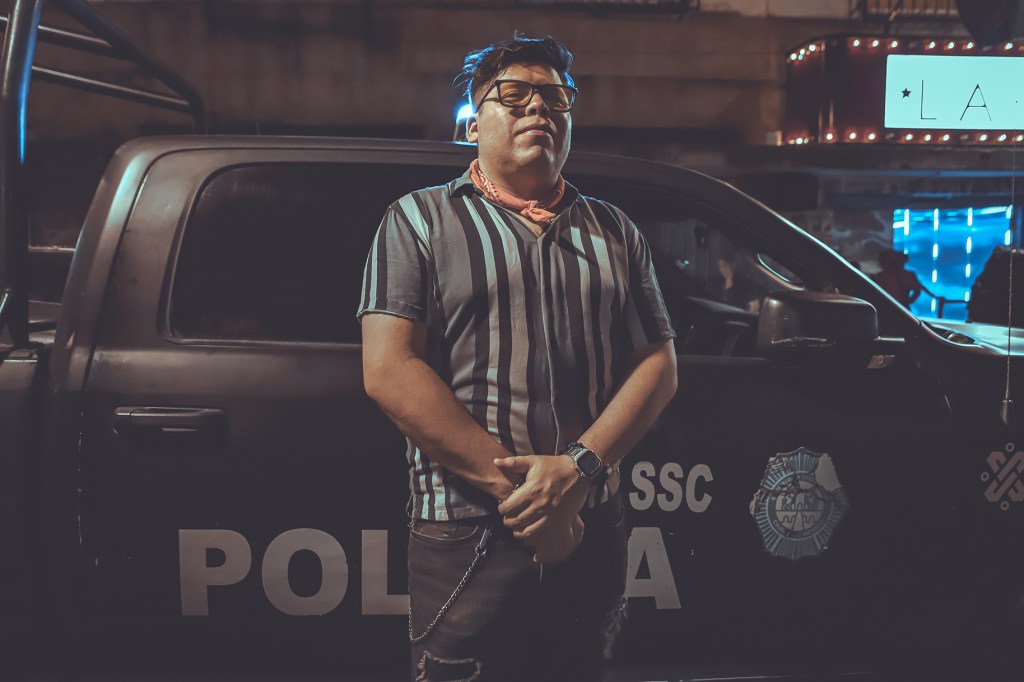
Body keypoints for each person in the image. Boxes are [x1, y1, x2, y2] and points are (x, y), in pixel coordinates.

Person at [358, 34, 677, 682]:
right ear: (474, 124)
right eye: (514, 94)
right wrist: (533, 500)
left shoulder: (615, 231)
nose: (538, 107)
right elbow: (389, 370)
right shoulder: (418, 221)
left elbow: (658, 363)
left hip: (590, 522)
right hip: (468, 529)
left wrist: (577, 474)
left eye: (555, 98)